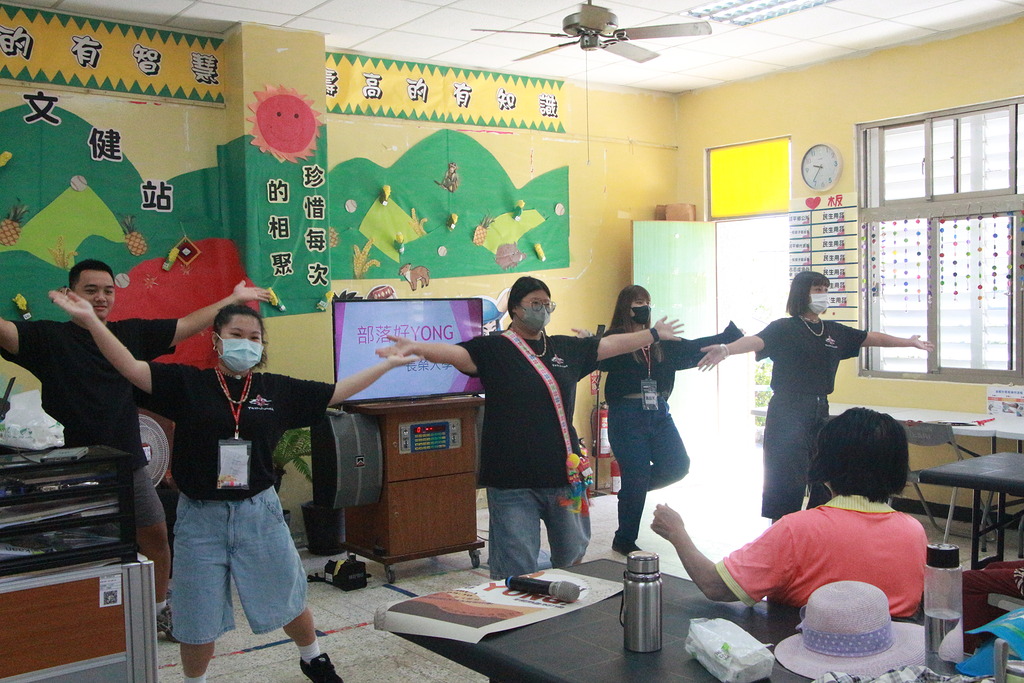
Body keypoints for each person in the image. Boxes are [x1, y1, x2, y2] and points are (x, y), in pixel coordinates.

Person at [51, 291, 415, 683]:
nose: (246, 343)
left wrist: (388, 365)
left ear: (262, 345)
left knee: (286, 595)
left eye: (254, 337)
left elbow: (337, 391)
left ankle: (313, 658)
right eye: (236, 334)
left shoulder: (275, 390)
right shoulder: (188, 383)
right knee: (196, 614)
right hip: (199, 520)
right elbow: (130, 367)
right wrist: (92, 322)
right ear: (217, 340)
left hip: (259, 514)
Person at [0, 259, 269, 639]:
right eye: (91, 290)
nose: (101, 297)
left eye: (108, 291)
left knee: (155, 535)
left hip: (127, 462)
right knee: (81, 547)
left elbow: (187, 324)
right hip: (71, 468)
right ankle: (85, 622)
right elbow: (6, 331)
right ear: (70, 293)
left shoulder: (130, 334)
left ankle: (158, 610)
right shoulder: (47, 337)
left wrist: (234, 299)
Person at [375, 276, 684, 581]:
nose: (543, 309)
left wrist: (653, 334)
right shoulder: (495, 348)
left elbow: (608, 345)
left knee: (572, 556)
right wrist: (419, 349)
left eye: (547, 303)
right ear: (515, 309)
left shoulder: (565, 348)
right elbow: (458, 355)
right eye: (535, 303)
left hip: (564, 477)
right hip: (513, 482)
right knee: (516, 566)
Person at [697, 270, 933, 520]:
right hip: (788, 408)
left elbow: (871, 338)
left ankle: (819, 523)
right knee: (786, 475)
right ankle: (782, 526)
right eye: (818, 290)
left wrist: (909, 342)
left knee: (824, 472)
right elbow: (756, 341)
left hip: (820, 408)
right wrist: (726, 349)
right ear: (802, 293)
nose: (823, 295)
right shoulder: (784, 328)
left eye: (826, 290)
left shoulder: (832, 331)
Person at [651, 407, 927, 617]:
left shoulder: (798, 529)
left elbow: (716, 586)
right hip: (895, 657)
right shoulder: (914, 531)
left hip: (808, 658)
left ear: (825, 462)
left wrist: (677, 533)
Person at [596, 284, 742, 555]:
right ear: (625, 307)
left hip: (659, 412)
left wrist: (729, 338)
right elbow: (598, 355)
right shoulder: (616, 338)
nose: (644, 307)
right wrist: (589, 341)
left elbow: (694, 347)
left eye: (647, 302)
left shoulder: (661, 342)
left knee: (677, 466)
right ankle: (624, 538)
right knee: (636, 475)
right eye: (638, 302)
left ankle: (632, 488)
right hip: (627, 414)